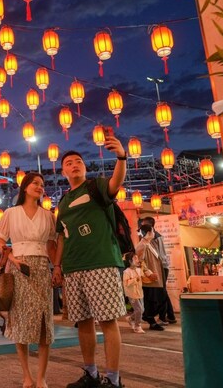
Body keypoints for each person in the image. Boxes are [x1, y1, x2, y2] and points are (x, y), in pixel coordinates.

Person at [53, 134, 128, 388]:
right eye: (69, 163)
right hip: (73, 269)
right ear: (63, 171)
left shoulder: (96, 187)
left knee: (108, 320)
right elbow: (61, 236)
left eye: (78, 161)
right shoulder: (62, 202)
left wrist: (121, 156)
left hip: (101, 263)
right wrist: (57, 266)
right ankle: (91, 373)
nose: (74, 165)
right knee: (83, 322)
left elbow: (117, 181)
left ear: (84, 167)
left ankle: (114, 379)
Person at [0, 172, 57, 388]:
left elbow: (52, 246)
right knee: (20, 320)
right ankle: (27, 376)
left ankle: (41, 377)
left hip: (41, 267)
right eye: (35, 183)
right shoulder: (11, 213)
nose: (40, 187)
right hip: (18, 268)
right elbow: (1, 241)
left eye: (42, 185)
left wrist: (57, 267)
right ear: (24, 187)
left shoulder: (48, 215)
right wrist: (12, 259)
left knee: (44, 323)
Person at [140, 216, 177, 325]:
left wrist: (157, 268)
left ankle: (163, 317)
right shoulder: (152, 236)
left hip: (161, 267)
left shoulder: (154, 237)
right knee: (162, 292)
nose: (142, 226)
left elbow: (159, 255)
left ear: (149, 225)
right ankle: (169, 316)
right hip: (160, 267)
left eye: (143, 224)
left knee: (161, 292)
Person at [135, 224, 166, 332]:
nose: (154, 233)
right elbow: (139, 262)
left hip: (156, 277)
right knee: (152, 301)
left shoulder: (149, 243)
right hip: (150, 279)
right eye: (153, 231)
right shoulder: (142, 245)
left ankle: (137, 318)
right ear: (148, 233)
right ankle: (151, 321)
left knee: (158, 299)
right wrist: (148, 273)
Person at [123, 252, 145, 333]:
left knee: (142, 309)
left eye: (137, 258)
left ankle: (130, 318)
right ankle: (137, 326)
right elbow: (126, 283)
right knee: (138, 309)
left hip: (140, 292)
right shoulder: (127, 272)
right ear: (129, 261)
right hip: (131, 293)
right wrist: (135, 280)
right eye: (135, 258)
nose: (137, 260)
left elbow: (144, 278)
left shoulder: (139, 270)